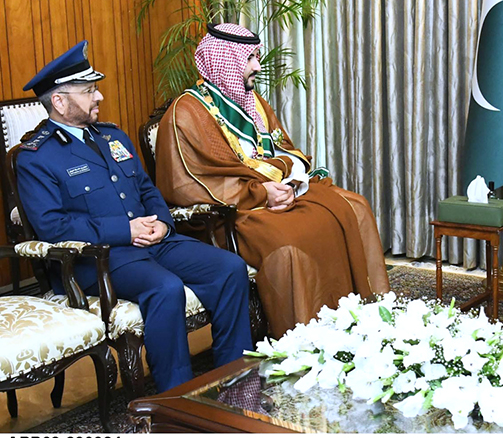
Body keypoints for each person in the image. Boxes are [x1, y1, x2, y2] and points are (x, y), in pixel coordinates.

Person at [15, 41, 253, 393]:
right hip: (101, 258)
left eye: (95, 89)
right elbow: (53, 226)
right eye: (89, 91)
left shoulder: (113, 136)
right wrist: (124, 230)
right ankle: (177, 398)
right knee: (165, 288)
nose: (98, 98)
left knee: (229, 268)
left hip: (154, 241)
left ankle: (234, 381)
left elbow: (145, 189)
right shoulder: (35, 157)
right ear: (60, 102)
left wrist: (162, 222)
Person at [155, 23, 390, 337]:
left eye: (256, 56)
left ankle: (363, 318)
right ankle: (305, 340)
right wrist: (260, 193)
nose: (257, 66)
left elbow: (285, 149)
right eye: (250, 58)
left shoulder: (254, 104)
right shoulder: (187, 112)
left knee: (356, 207)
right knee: (290, 244)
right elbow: (189, 185)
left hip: (273, 194)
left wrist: (289, 178)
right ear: (225, 61)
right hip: (230, 215)